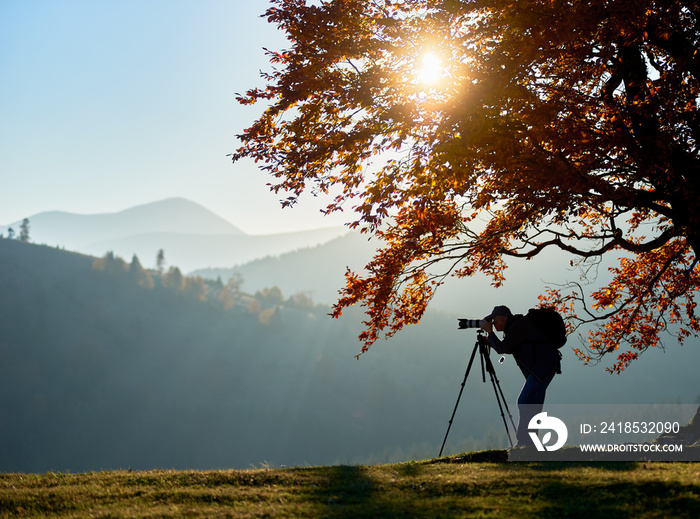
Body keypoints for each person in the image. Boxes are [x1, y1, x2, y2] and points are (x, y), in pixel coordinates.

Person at [480, 305, 561, 447]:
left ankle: (524, 442)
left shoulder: (518, 326)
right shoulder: (515, 326)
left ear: (501, 319)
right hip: (546, 365)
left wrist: (490, 333)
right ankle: (529, 443)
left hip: (543, 367)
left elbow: (503, 348)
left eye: (493, 320)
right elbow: (506, 346)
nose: (492, 323)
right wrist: (490, 340)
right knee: (532, 404)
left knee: (524, 401)